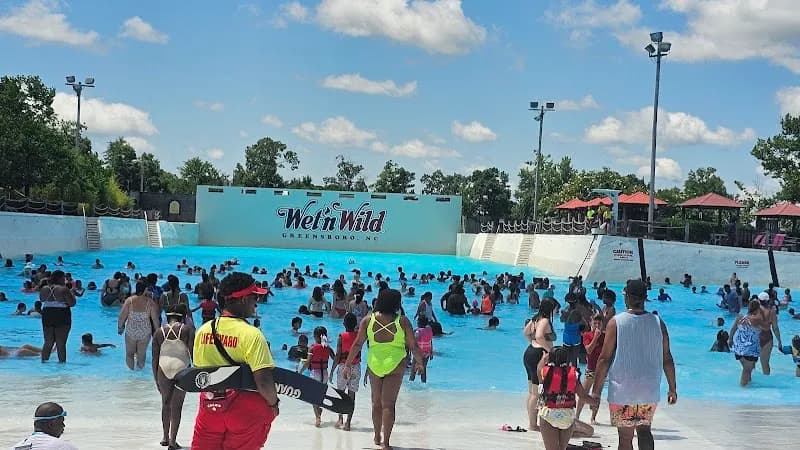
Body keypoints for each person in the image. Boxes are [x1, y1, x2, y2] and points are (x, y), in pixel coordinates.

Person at [191, 272, 279, 450]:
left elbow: (201, 374)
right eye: (255, 296)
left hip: (211, 408)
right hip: (246, 412)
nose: (257, 301)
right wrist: (273, 404)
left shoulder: (204, 330)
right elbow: (263, 380)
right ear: (244, 299)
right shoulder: (252, 335)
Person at [590, 279, 678, 450]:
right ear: (644, 298)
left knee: (625, 437)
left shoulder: (616, 322)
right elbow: (667, 358)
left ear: (628, 298)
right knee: (645, 431)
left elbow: (604, 359)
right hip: (649, 389)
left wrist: (596, 391)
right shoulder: (658, 323)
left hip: (622, 390)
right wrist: (672, 388)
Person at [341, 289, 425, 450]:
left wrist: (347, 365)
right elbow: (413, 345)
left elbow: (358, 344)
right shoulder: (403, 321)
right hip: (396, 364)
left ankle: (376, 435)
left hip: (374, 364)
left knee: (376, 403)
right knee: (389, 404)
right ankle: (386, 443)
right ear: (396, 303)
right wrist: (419, 363)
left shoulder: (368, 320)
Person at [538, 346, 598, 450]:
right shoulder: (573, 374)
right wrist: (595, 402)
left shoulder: (545, 372)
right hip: (567, 416)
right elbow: (583, 396)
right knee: (562, 448)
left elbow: (539, 369)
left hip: (549, 414)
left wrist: (544, 358)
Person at [152, 305, 195, 450]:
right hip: (181, 367)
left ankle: (165, 437)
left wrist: (155, 378)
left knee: (165, 403)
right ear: (182, 317)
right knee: (177, 406)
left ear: (167, 317)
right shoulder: (187, 330)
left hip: (163, 368)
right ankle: (173, 441)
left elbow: (154, 358)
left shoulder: (158, 332)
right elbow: (192, 351)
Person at [523, 298, 558, 432]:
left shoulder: (535, 319)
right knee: (536, 393)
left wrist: (532, 345)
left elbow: (526, 333)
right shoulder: (544, 321)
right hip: (539, 356)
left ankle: (532, 423)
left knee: (532, 392)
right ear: (550, 308)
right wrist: (549, 351)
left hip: (530, 353)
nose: (556, 311)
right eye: (555, 308)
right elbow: (539, 336)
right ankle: (533, 424)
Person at [118, 281, 160, 370]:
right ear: (145, 290)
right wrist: (157, 333)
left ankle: (131, 374)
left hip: (131, 331)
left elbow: (122, 317)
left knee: (130, 354)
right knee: (141, 354)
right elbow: (155, 320)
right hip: (145, 332)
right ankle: (140, 376)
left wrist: (120, 327)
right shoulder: (150, 303)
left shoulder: (129, 301)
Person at [299, 326, 335, 427]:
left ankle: (317, 417)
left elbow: (308, 362)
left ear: (315, 336)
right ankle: (319, 413)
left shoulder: (312, 347)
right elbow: (335, 358)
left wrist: (300, 372)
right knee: (321, 395)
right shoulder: (328, 348)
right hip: (325, 373)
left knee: (314, 397)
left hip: (315, 373)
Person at [331, 313, 361, 431]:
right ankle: (348, 422)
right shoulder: (359, 336)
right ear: (355, 324)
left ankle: (340, 418)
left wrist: (332, 370)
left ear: (344, 324)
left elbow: (338, 355)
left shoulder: (341, 337)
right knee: (352, 395)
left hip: (344, 366)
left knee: (340, 394)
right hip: (356, 366)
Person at [39, 270, 76, 363]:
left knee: (48, 342)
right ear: (60, 278)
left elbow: (42, 299)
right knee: (61, 343)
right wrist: (73, 294)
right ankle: (62, 366)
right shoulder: (63, 289)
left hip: (47, 314)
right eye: (63, 277)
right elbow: (72, 303)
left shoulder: (44, 289)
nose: (65, 280)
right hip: (61, 314)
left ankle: (43, 363)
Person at [729, 300, 768, 386]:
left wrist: (730, 339)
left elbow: (733, 329)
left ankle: (748, 386)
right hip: (750, 349)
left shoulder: (740, 317)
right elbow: (766, 327)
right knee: (747, 369)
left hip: (738, 348)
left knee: (747, 369)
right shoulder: (757, 319)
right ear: (757, 309)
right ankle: (743, 389)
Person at [11, 402, 77, 450]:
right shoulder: (63, 447)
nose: (64, 425)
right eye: (61, 421)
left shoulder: (15, 447)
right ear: (51, 424)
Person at [576, 314, 604, 424]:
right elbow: (588, 350)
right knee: (584, 393)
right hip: (591, 369)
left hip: (601, 370)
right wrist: (596, 337)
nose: (597, 325)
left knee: (597, 394)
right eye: (595, 323)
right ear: (590, 323)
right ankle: (577, 416)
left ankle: (593, 418)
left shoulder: (606, 336)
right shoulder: (587, 335)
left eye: (599, 323)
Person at [757, 291, 782, 375]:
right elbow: (775, 328)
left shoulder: (755, 310)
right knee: (765, 363)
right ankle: (767, 383)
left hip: (756, 336)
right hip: (767, 337)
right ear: (768, 301)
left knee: (751, 361)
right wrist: (779, 341)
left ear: (759, 300)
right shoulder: (772, 311)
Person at [411, 316, 434, 382]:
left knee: (413, 370)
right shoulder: (429, 329)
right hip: (427, 353)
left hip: (419, 354)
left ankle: (411, 384)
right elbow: (430, 341)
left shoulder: (418, 332)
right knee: (423, 369)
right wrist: (431, 352)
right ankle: (424, 383)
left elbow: (414, 341)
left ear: (418, 323)